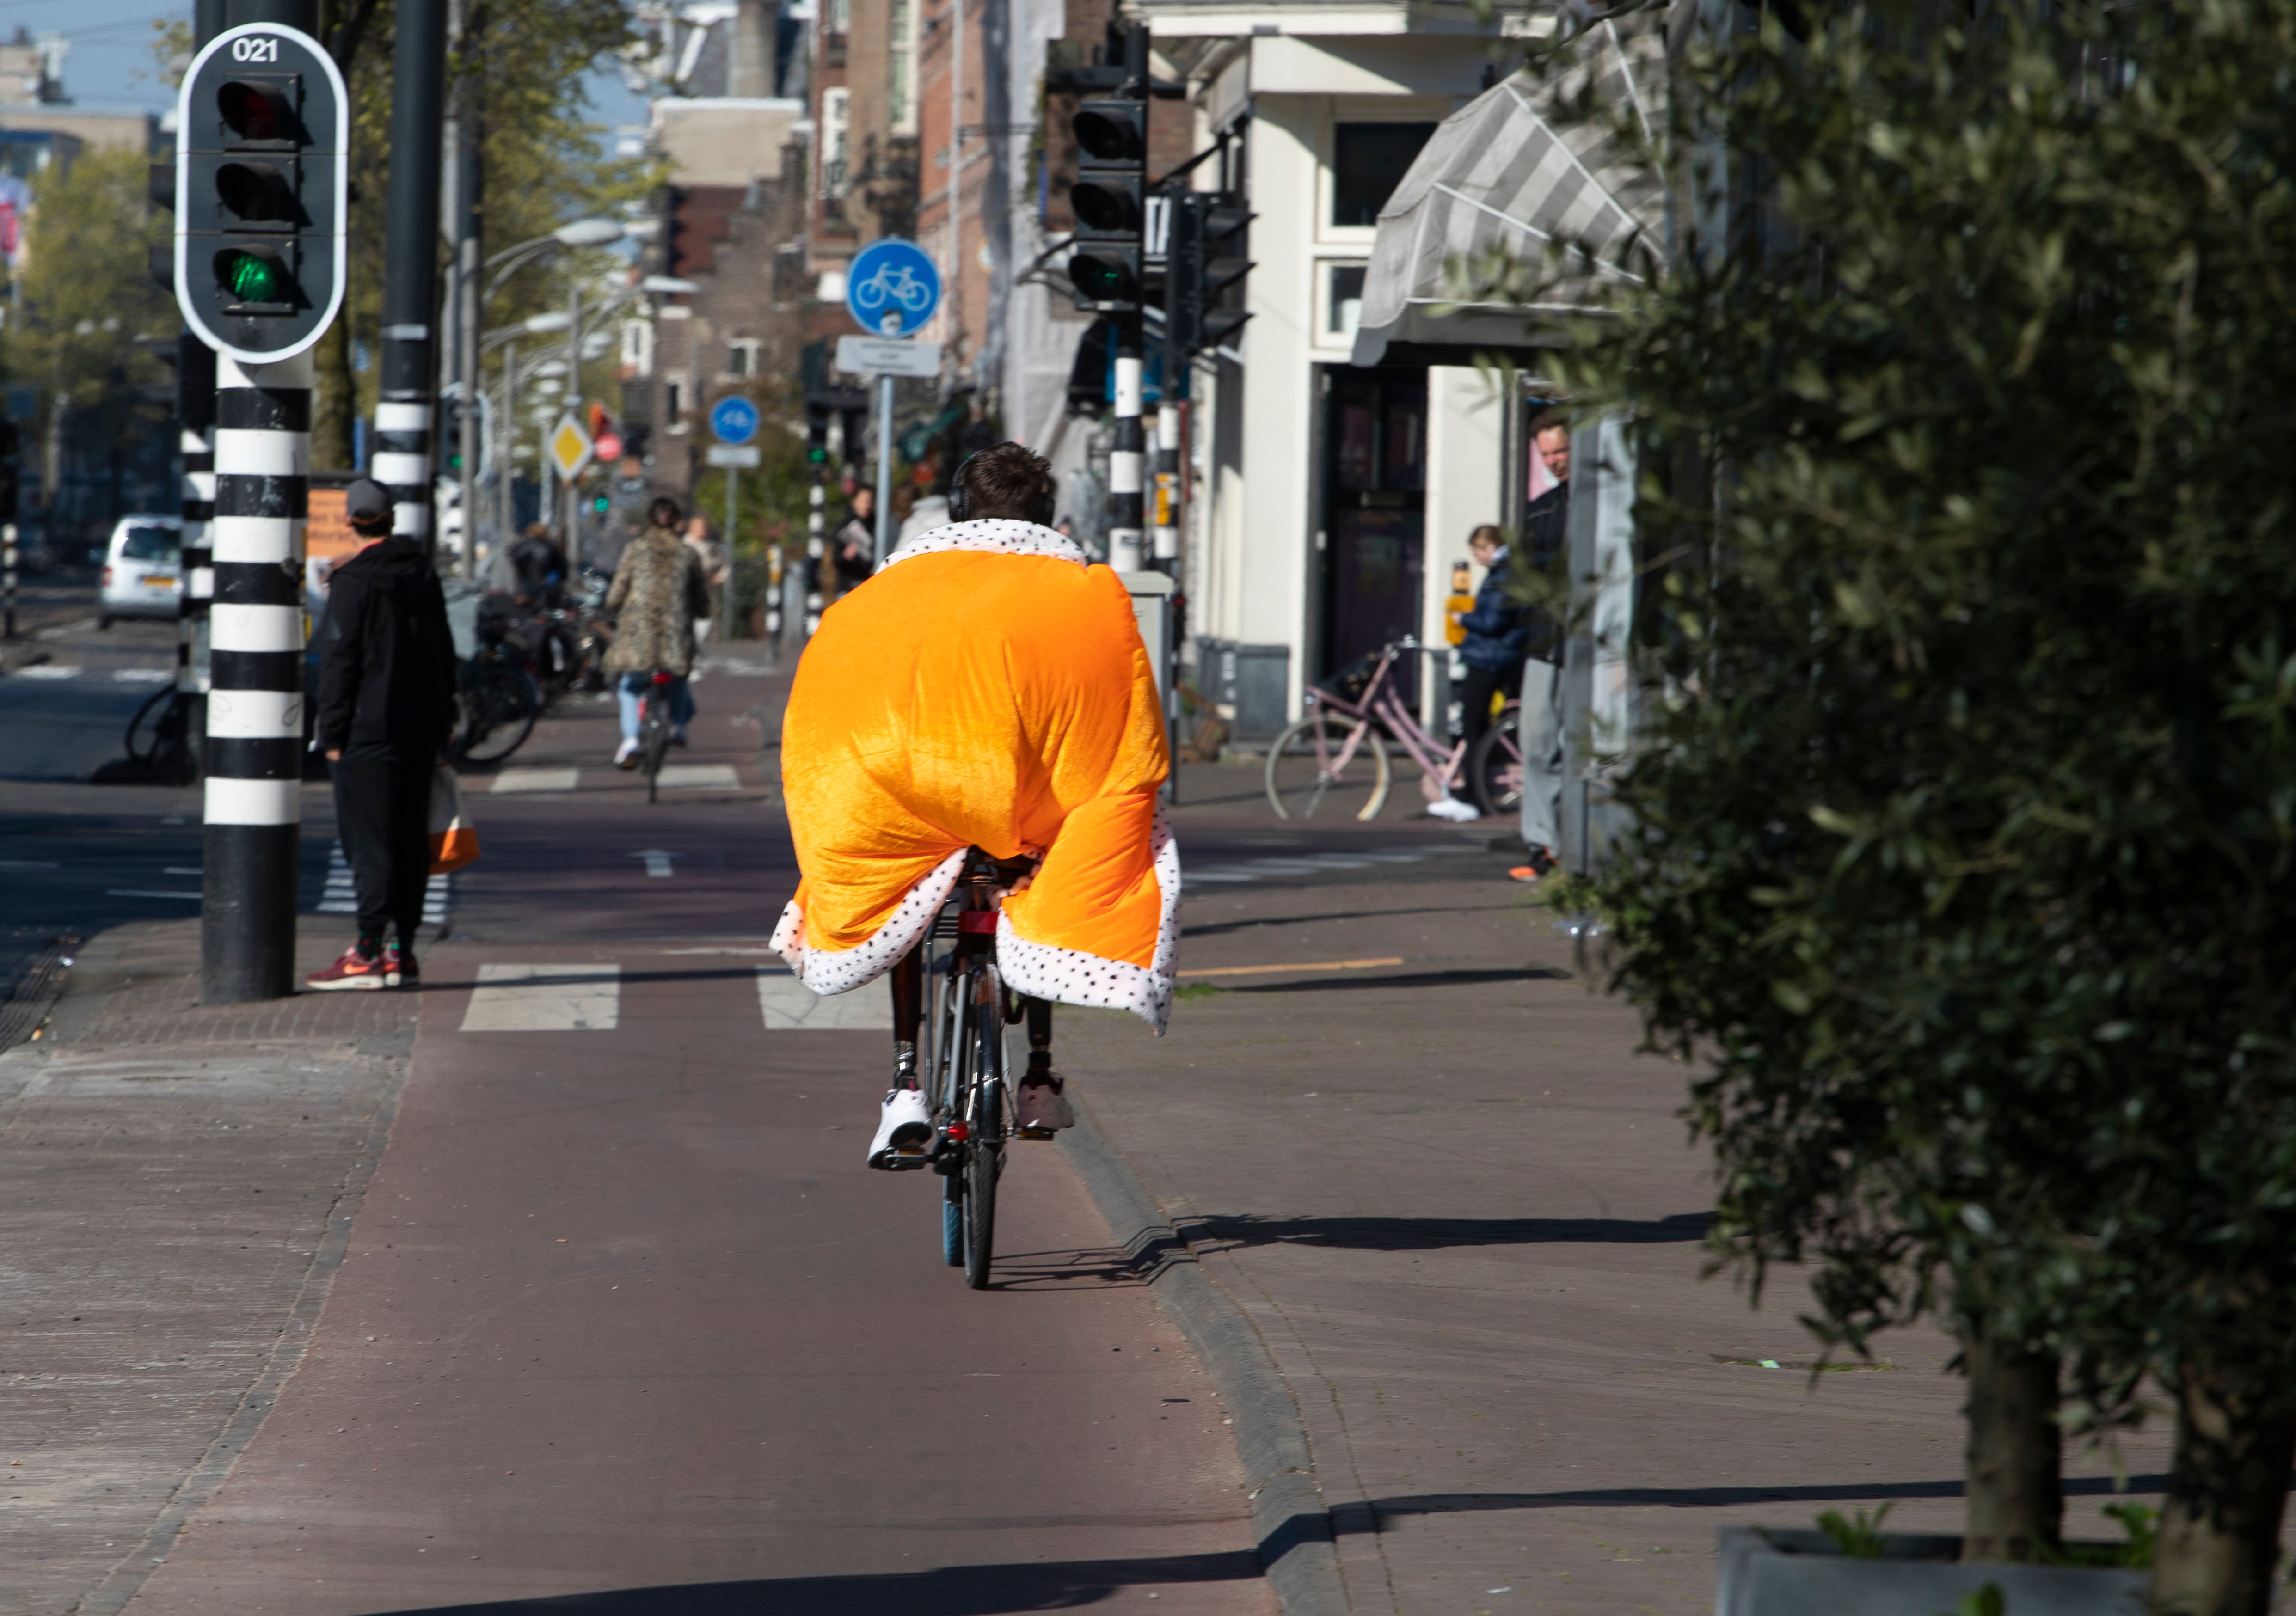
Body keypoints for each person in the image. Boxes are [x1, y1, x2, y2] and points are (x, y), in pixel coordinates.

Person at [769, 442, 1177, 1169]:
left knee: (905, 892)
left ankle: (903, 1085)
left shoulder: (878, 593)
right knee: (1047, 870)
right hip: (1016, 797)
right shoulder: (1086, 592)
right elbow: (1127, 724)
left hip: (896, 785)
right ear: (1045, 516)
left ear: (957, 511)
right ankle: (1038, 1076)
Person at [307, 477, 459, 991]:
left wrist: (331, 731)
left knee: (369, 842)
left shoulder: (352, 582)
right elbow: (443, 649)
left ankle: (367, 950)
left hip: (366, 732)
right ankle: (404, 951)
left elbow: (340, 662)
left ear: (351, 522)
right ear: (391, 521)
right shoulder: (423, 574)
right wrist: (445, 721)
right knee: (412, 839)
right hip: (420, 728)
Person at [603, 496, 713, 768]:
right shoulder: (687, 553)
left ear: (650, 520)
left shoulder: (635, 549)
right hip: (674, 634)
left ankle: (630, 741)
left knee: (629, 686)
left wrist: (612, 606)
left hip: (639, 635)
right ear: (677, 521)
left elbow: (618, 589)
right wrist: (702, 611)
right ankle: (678, 726)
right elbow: (701, 597)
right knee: (678, 675)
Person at [1511, 417, 1572, 881]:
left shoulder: (1607, 505)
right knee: (1536, 740)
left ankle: (1583, 843)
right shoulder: (1539, 511)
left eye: (1561, 452)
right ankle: (1543, 844)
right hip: (1545, 641)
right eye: (1546, 454)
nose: (1554, 462)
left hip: (1595, 644)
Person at [1454, 523, 1531, 761]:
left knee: (1472, 725)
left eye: (1478, 554)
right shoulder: (1505, 571)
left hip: (1490, 657)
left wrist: (1462, 618)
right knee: (1478, 724)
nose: (1476, 560)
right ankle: (1480, 782)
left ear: (1490, 547)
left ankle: (1474, 790)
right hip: (1495, 654)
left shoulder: (1505, 573)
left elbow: (1492, 622)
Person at [831, 487, 875, 596]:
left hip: (870, 586)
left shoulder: (878, 526)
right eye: (863, 501)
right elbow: (835, 559)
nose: (866, 506)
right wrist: (845, 556)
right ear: (854, 502)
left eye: (869, 501)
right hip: (848, 589)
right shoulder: (844, 527)